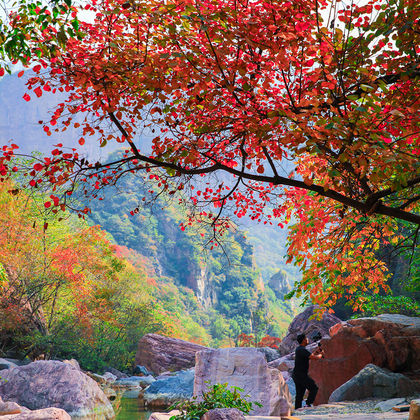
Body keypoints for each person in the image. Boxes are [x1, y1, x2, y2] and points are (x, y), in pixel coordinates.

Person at [292, 333, 324, 409]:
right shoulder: (302, 350)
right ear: (303, 340)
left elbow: (310, 356)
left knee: (299, 394)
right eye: (306, 338)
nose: (307, 340)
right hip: (301, 375)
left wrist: (317, 352)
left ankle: (297, 409)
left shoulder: (299, 349)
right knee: (314, 388)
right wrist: (321, 355)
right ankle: (308, 404)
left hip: (297, 375)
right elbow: (314, 358)